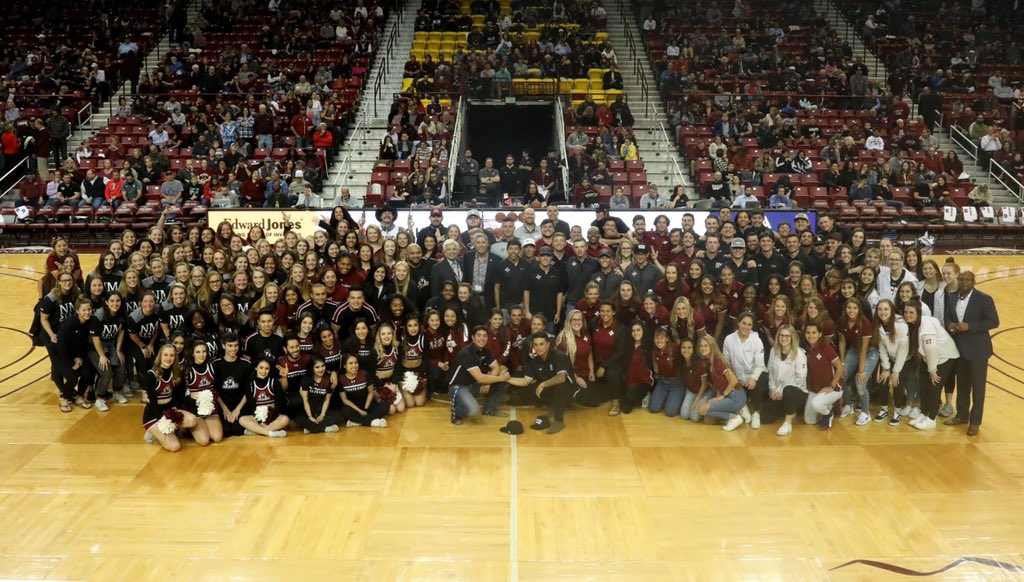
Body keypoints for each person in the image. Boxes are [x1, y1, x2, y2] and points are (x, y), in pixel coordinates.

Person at [944, 271, 999, 436]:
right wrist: (950, 326)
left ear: (974, 281)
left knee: (978, 388)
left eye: (967, 280)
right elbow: (947, 317)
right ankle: (962, 415)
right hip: (959, 349)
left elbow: (993, 322)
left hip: (978, 351)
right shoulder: (953, 297)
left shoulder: (984, 298)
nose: (964, 282)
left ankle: (975, 422)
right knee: (962, 385)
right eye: (961, 279)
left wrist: (970, 326)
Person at [143, 344, 211, 451]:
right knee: (175, 447)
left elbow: (176, 396)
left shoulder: (175, 374)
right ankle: (152, 431)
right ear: (160, 356)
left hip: (169, 410)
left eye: (172, 355)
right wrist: (162, 420)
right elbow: (152, 402)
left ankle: (171, 430)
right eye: (165, 355)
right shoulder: (151, 375)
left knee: (192, 420)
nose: (168, 358)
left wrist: (174, 408)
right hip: (153, 414)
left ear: (175, 358)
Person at [903, 301, 959, 431]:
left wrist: (932, 370)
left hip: (944, 357)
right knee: (923, 385)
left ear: (918, 313)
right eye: (906, 312)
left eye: (911, 312)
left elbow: (932, 350)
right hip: (928, 358)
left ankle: (931, 419)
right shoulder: (913, 325)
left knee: (934, 387)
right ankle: (924, 414)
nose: (908, 315)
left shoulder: (925, 327)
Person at [506, 332, 576, 434]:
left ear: (548, 344)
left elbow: (561, 378)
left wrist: (543, 384)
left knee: (559, 387)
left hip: (569, 391)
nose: (538, 348)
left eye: (541, 344)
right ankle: (552, 405)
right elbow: (526, 381)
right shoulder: (535, 361)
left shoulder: (559, 356)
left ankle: (559, 421)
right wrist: (506, 379)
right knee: (525, 391)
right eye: (536, 345)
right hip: (551, 388)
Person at [447, 325, 511, 424]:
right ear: (473, 337)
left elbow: (496, 367)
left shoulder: (485, 351)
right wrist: (501, 378)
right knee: (474, 411)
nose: (482, 338)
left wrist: (488, 383)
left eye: (485, 336)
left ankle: (489, 409)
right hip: (458, 387)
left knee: (502, 383)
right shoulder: (466, 353)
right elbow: (481, 378)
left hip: (474, 385)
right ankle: (456, 410)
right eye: (479, 335)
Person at [722, 312, 768, 428]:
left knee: (759, 380)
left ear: (752, 326)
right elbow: (726, 363)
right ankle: (742, 408)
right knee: (726, 380)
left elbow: (760, 365)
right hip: (737, 376)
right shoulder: (729, 339)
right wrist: (734, 378)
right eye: (743, 323)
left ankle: (756, 413)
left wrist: (753, 378)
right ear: (738, 323)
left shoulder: (756, 341)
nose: (746, 327)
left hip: (754, 374)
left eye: (749, 325)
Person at [764, 324, 808, 436]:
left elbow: (800, 379)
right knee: (765, 418)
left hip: (797, 392)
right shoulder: (774, 351)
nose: (784, 338)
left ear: (793, 337)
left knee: (788, 390)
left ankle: (787, 423)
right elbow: (771, 372)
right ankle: (789, 410)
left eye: (787, 336)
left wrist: (782, 392)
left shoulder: (799, 353)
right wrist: (772, 389)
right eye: (781, 335)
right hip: (778, 391)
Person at [802, 322, 844, 431]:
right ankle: (831, 405)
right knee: (809, 420)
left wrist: (832, 385)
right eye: (808, 333)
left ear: (820, 334)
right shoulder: (806, 350)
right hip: (815, 390)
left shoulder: (826, 348)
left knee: (816, 404)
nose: (810, 335)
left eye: (814, 333)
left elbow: (839, 367)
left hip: (833, 388)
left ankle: (828, 413)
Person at [294, 355, 342, 433]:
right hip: (309, 411)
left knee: (338, 415)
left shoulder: (329, 379)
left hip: (321, 410)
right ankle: (325, 428)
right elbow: (305, 400)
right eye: (317, 367)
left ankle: (311, 428)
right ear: (312, 368)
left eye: (323, 366)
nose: (321, 369)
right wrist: (310, 416)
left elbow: (327, 399)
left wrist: (322, 415)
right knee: (298, 419)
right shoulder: (306, 379)